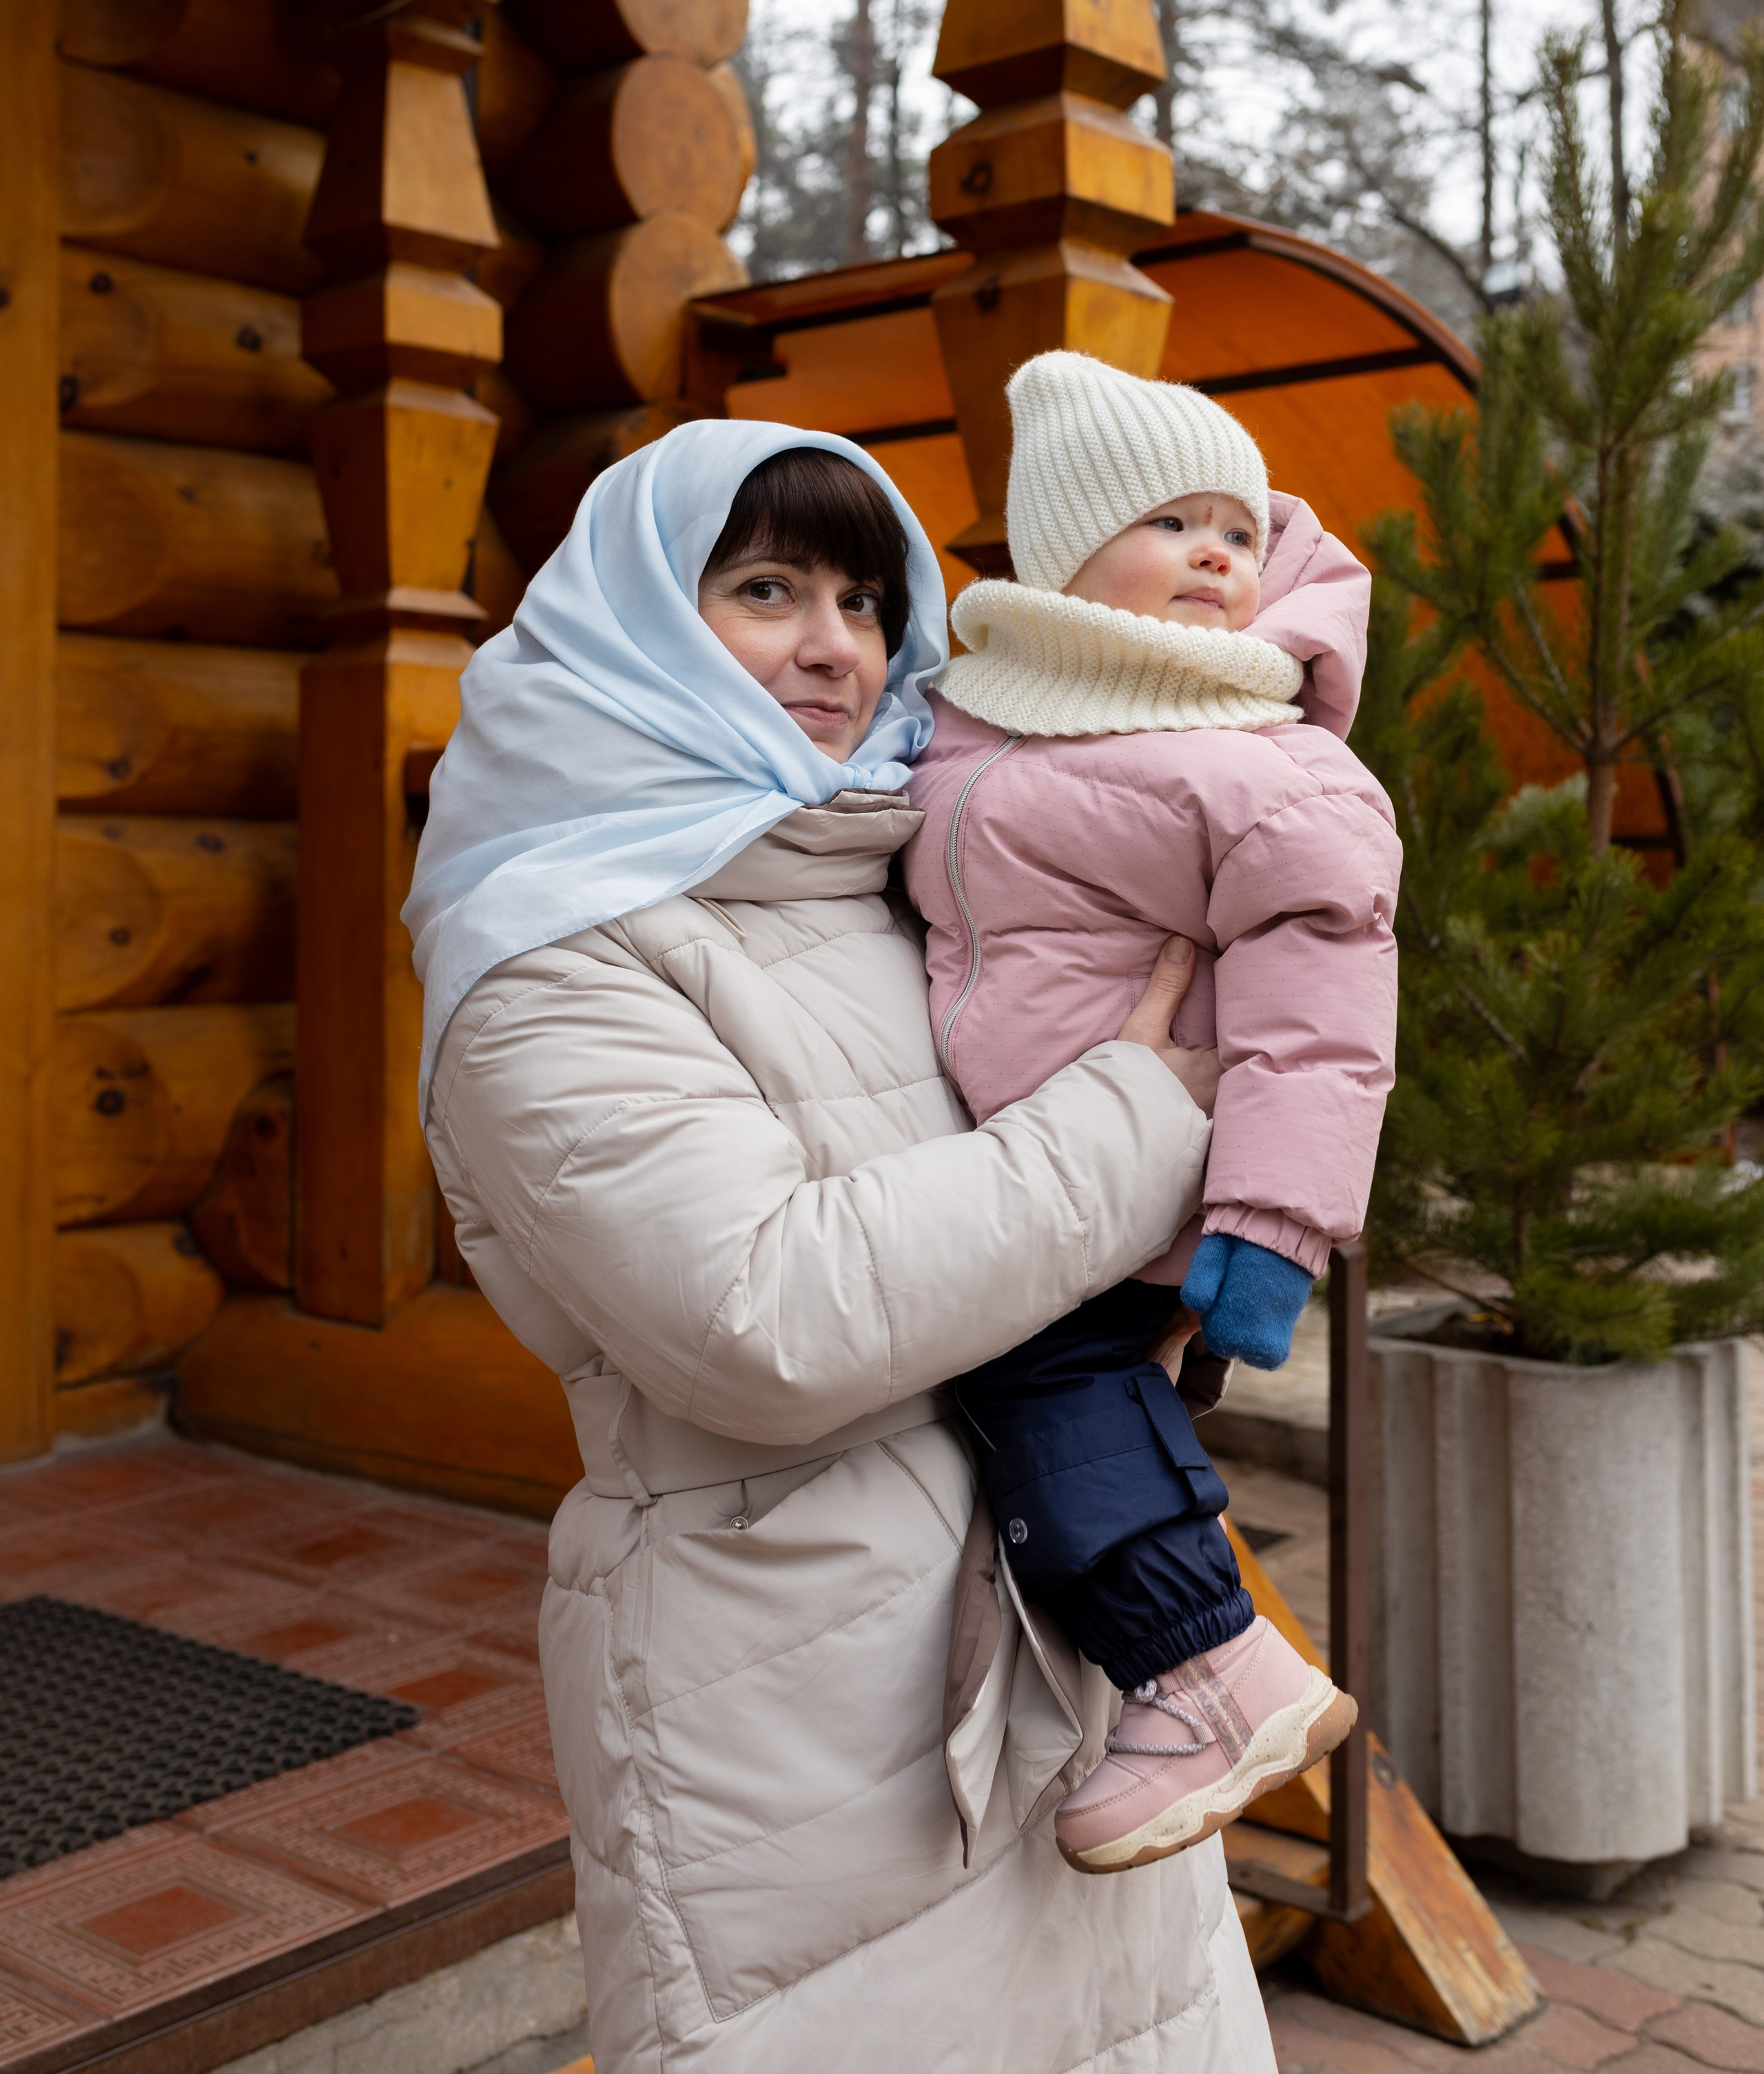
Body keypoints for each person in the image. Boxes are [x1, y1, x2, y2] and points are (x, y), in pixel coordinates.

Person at [402, 420, 1277, 2074]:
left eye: (868, 602)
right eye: (763, 588)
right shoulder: (545, 948)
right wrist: (1144, 1119)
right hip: (788, 1699)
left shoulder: (916, 875)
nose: (834, 645)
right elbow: (763, 1317)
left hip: (1065, 1628)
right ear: (637, 618)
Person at [905, 351, 1401, 1878]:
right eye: (1171, 521)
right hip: (1024, 1166)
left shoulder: (1250, 751)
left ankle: (1203, 1668)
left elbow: (1324, 1011)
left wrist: (1267, 1230)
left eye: (1237, 532)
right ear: (1061, 548)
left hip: (1147, 1173)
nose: (1214, 553)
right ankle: (1181, 1674)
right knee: (1041, 1390)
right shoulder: (981, 714)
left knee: (1033, 1374)